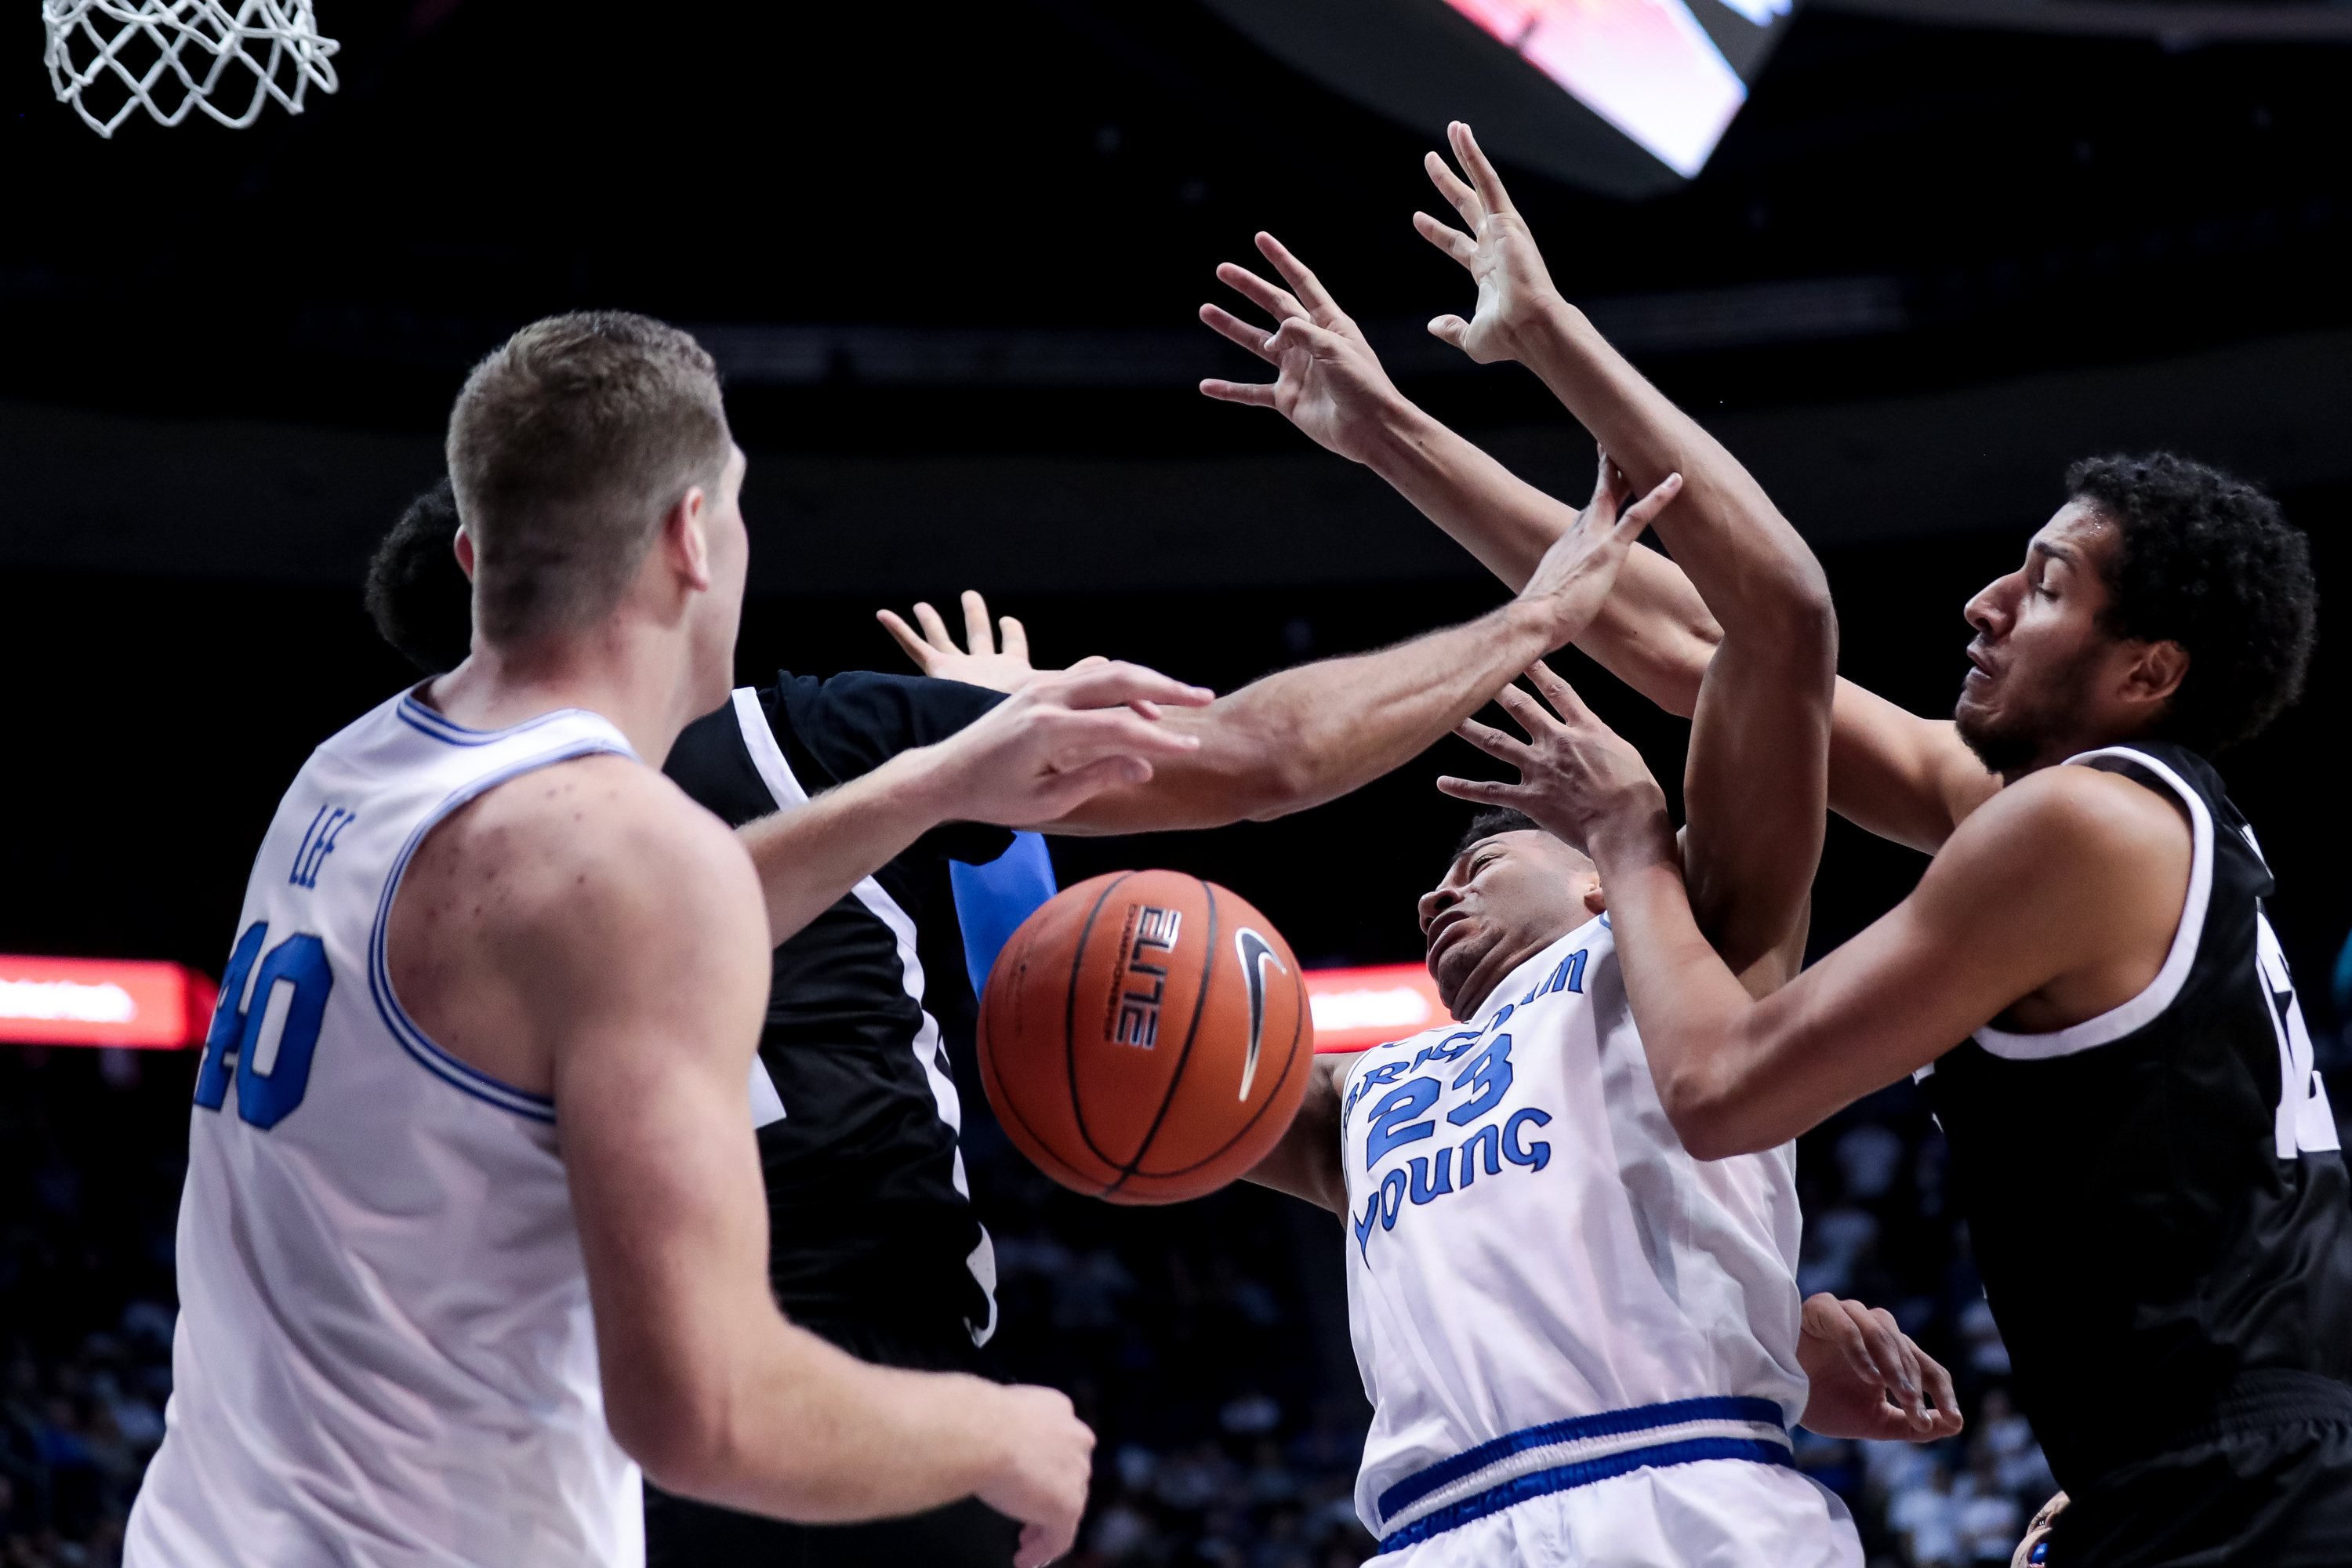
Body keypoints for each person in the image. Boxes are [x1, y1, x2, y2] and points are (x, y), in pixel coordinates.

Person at [358, 414, 1688, 1566]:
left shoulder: (406, 887)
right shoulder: (778, 740)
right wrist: (1538, 614)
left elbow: (1025, 1002)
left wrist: (995, 820)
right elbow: (1258, 760)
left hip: (541, 1444)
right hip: (838, 1389)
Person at [125, 311, 1243, 1568]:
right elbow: (705, 1411)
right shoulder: (627, 852)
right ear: (688, 537)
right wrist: (997, 1434)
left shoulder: (349, 776)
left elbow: (625, 917)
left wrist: (936, 783)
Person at [1408, 124, 2350, 1568]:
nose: (1982, 601)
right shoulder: (2103, 823)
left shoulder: (2080, 828)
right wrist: (1408, 421)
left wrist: (1635, 843)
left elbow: (1723, 1088)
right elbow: (1711, 650)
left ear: (2146, 673)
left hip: (2244, 1492)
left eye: (2041, 587)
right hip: (2210, 1468)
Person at [1204, 157, 1962, 1563]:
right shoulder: (1365, 1100)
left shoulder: (1692, 947)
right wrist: (997, 777)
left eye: (1485, 857)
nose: (1435, 891)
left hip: (1687, 1499)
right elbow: (1097, 1048)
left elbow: (1776, 628)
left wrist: (1444, 404)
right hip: (1432, 1531)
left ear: (1608, 874)